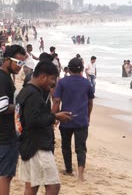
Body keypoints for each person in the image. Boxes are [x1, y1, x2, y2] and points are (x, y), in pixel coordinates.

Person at [16, 61, 72, 195]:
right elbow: (33, 121)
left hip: (27, 144)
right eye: (52, 79)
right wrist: (55, 117)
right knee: (53, 186)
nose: (53, 83)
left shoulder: (25, 91)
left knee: (31, 186)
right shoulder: (33, 95)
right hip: (38, 146)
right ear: (43, 76)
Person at [52, 58, 94, 182]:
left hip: (65, 118)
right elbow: (90, 103)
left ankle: (69, 170)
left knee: (66, 145)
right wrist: (88, 116)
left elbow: (56, 101)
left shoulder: (62, 82)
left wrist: (55, 116)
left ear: (69, 69)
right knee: (81, 148)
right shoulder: (87, 83)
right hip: (81, 120)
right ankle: (81, 175)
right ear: (81, 69)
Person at [0, 45, 27, 194]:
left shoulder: (5, 77)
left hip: (5, 135)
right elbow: (2, 107)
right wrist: (19, 106)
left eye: (23, 63)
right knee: (6, 175)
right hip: (5, 137)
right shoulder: (3, 78)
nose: (20, 67)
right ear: (8, 60)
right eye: (19, 62)